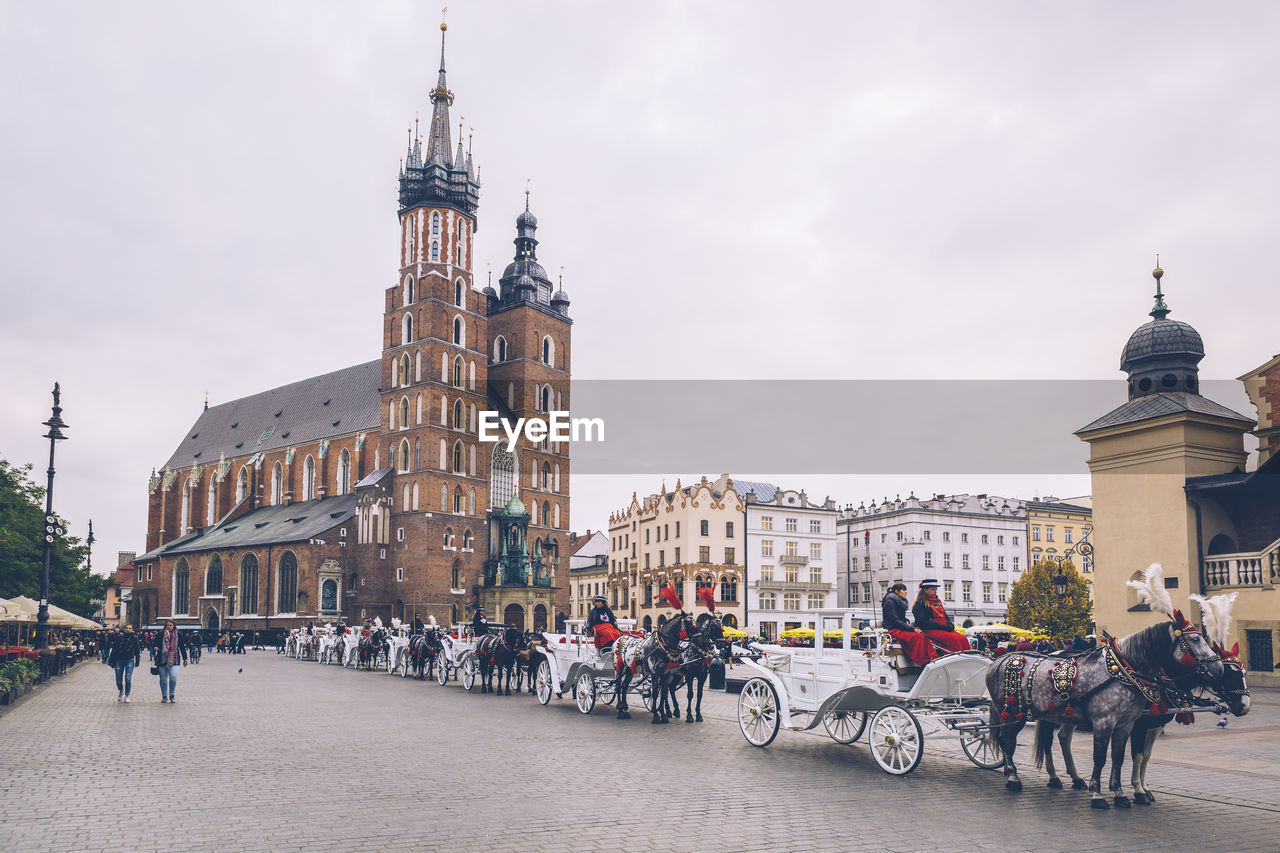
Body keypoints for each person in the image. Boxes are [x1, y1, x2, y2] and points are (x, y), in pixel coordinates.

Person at [880, 583, 937, 665]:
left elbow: (899, 618)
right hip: (892, 630)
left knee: (923, 636)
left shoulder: (897, 601)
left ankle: (932, 657)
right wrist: (911, 629)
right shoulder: (890, 602)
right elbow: (894, 620)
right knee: (918, 637)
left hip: (899, 627)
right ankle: (923, 660)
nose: (906, 592)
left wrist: (906, 620)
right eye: (904, 590)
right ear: (896, 591)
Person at [911, 579, 971, 654]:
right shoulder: (919, 604)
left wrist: (950, 624)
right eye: (933, 589)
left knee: (962, 638)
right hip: (929, 630)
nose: (935, 591)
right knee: (954, 638)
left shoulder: (938, 603)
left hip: (942, 628)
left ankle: (967, 655)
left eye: (936, 589)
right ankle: (955, 657)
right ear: (925, 590)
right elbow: (922, 622)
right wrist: (942, 626)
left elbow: (945, 616)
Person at [152, 619, 188, 703]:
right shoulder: (160, 634)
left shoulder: (178, 635)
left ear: (174, 626)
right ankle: (164, 696)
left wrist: (185, 659)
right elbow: (154, 644)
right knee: (163, 679)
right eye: (167, 625)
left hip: (174, 659)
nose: (169, 627)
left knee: (173, 677)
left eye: (171, 625)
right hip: (162, 659)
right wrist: (155, 647)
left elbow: (182, 647)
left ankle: (172, 694)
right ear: (165, 626)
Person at [109, 624, 142, 703]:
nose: (128, 629)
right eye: (126, 628)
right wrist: (110, 660)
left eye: (130, 628)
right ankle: (121, 690)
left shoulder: (135, 638)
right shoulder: (119, 637)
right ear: (124, 629)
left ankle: (127, 695)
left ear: (132, 630)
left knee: (128, 678)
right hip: (119, 660)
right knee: (118, 679)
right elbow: (114, 649)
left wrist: (137, 661)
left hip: (129, 660)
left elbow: (137, 650)